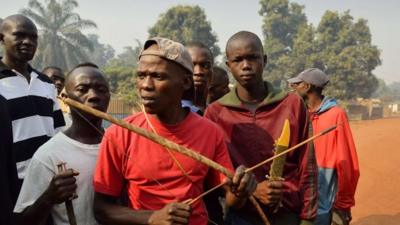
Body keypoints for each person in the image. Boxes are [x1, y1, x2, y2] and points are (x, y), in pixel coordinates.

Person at [93, 37, 257, 225]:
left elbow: (230, 197)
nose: (145, 85)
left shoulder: (210, 132)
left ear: (186, 82)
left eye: (158, 76)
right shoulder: (120, 133)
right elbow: (102, 209)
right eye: (141, 75)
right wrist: (152, 217)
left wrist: (241, 189)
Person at [205, 31, 318, 225]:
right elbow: (215, 177)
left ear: (264, 60)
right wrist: (253, 189)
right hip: (241, 216)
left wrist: (308, 218)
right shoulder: (215, 114)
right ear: (228, 65)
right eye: (238, 60)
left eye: (253, 58)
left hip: (288, 214)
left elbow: (307, 167)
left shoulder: (292, 104)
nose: (246, 66)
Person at [14, 63, 111, 225]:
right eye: (82, 89)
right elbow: (22, 220)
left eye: (101, 89)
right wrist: (49, 197)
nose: (94, 95)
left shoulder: (120, 145)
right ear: (65, 99)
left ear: (109, 97)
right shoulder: (49, 154)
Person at [0, 14, 65, 195]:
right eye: (20, 35)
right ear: (2, 38)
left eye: (33, 38)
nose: (28, 41)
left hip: (45, 180)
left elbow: (58, 132)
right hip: (9, 183)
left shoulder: (46, 83)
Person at [288, 68, 360, 225]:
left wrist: (343, 205)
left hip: (324, 194)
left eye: (297, 84)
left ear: (307, 87)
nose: (293, 88)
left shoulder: (336, 115)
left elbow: (347, 163)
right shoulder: (299, 114)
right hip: (300, 196)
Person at [187, 41, 214, 112]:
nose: (198, 72)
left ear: (212, 73)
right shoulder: (170, 113)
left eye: (205, 65)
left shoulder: (218, 114)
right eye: (191, 65)